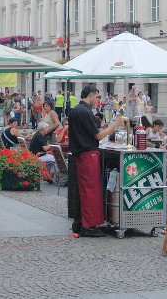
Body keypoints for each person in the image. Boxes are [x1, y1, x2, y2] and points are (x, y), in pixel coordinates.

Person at [68, 85, 123, 238]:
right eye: (97, 97)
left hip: (81, 155)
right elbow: (98, 136)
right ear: (91, 95)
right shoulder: (85, 112)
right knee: (90, 192)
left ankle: (79, 224)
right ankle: (89, 226)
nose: (98, 100)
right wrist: (114, 124)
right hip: (87, 155)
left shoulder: (76, 110)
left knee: (82, 191)